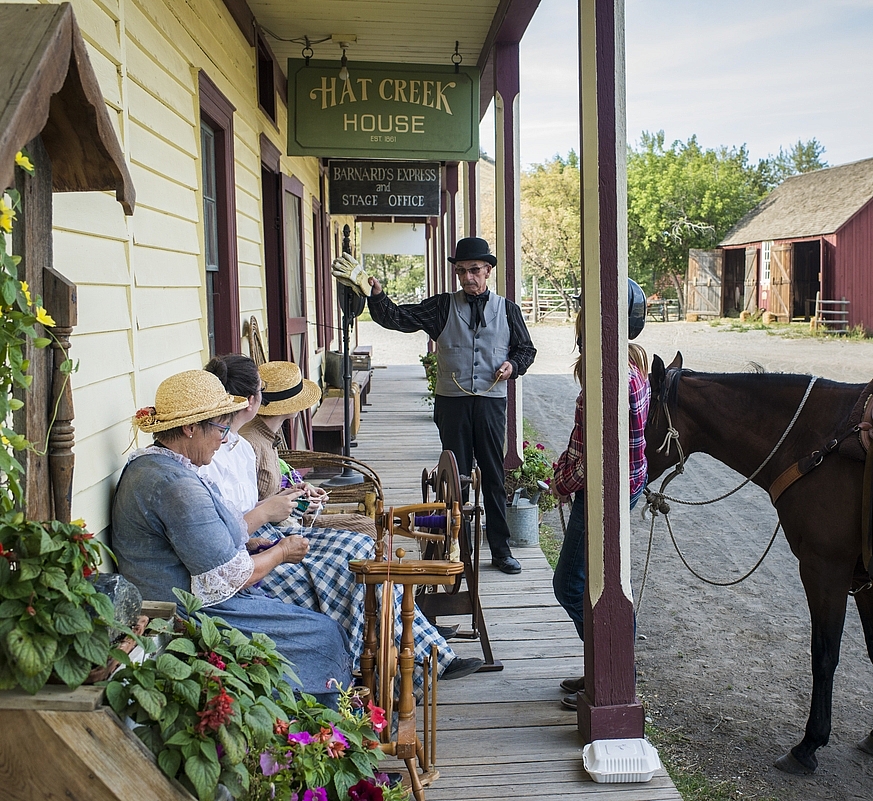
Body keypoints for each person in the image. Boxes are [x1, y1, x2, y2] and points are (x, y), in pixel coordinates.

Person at [201, 355, 483, 687]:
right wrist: (270, 512)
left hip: (261, 535)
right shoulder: (214, 455)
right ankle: (422, 657)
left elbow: (258, 503)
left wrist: (289, 500)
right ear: (252, 402)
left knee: (363, 545)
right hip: (249, 554)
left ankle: (420, 638)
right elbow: (228, 531)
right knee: (347, 569)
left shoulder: (240, 447)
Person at [110, 370, 351, 707]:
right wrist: (283, 551)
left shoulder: (159, 465)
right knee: (322, 635)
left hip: (186, 598)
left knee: (319, 622)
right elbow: (237, 574)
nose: (224, 440)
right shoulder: (175, 486)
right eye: (221, 428)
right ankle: (313, 730)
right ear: (190, 428)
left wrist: (250, 542)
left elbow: (203, 537)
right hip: (185, 614)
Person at [364, 236, 537, 575]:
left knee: (493, 473)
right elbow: (399, 318)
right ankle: (459, 547)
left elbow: (525, 350)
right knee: (455, 477)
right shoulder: (442, 306)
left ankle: (500, 550)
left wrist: (513, 366)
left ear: (488, 271)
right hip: (452, 402)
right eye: (461, 271)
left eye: (474, 270)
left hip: (490, 403)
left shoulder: (507, 309)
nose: (468, 277)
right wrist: (377, 296)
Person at [552, 279, 651, 711]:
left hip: (602, 495)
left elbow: (587, 459)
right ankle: (607, 666)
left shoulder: (601, 381)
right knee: (611, 582)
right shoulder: (635, 369)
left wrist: (558, 483)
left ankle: (609, 670)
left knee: (571, 585)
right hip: (627, 487)